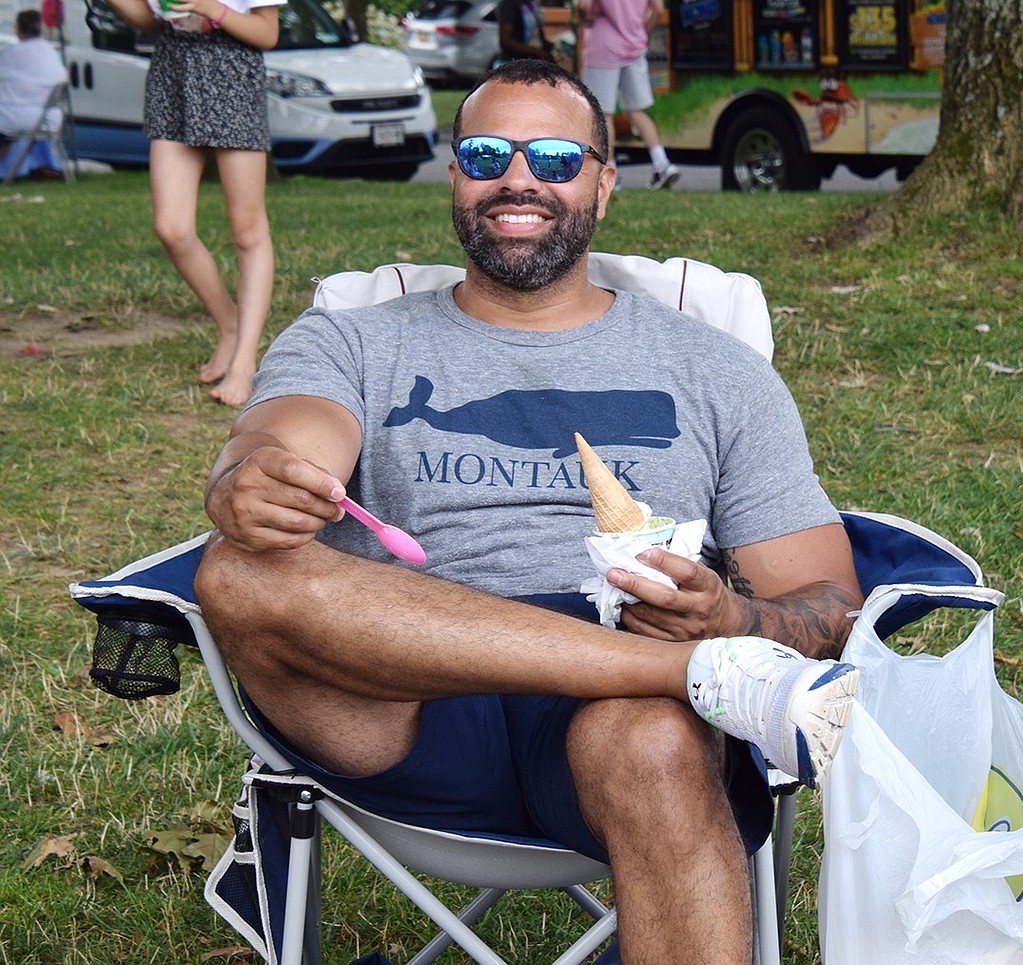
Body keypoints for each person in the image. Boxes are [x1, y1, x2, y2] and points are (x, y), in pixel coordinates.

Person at [194, 60, 864, 963]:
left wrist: (734, 615)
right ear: (454, 176)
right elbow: (282, 442)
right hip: (398, 697)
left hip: (620, 728)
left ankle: (690, 675)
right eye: (486, 153)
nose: (519, 178)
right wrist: (253, 478)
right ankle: (701, 673)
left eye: (554, 156)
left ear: (604, 181)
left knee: (657, 741)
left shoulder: (717, 370)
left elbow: (831, 600)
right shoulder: (353, 336)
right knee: (238, 565)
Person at [103, 0, 283, 407]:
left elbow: (267, 34)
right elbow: (151, 21)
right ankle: (230, 325)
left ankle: (243, 362)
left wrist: (211, 8)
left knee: (246, 228)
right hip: (172, 67)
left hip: (231, 72)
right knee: (171, 227)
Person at [576, 0, 678, 189]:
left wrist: (582, 18)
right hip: (634, 46)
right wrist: (640, 31)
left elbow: (584, 7)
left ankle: (609, 173)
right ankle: (662, 163)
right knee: (636, 110)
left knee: (603, 114)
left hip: (603, 47)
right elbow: (658, 9)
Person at [0, 9, 68, 180]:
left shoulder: (10, 53)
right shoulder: (51, 54)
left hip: (15, 120)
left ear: (17, 29)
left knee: (4, 130)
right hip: (49, 119)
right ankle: (42, 167)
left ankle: (8, 171)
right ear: (41, 28)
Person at [496, 0, 556, 65]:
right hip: (515, 64)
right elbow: (505, 41)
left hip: (533, 62)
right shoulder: (509, 4)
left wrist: (550, 48)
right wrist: (538, 52)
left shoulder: (531, 4)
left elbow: (536, 35)